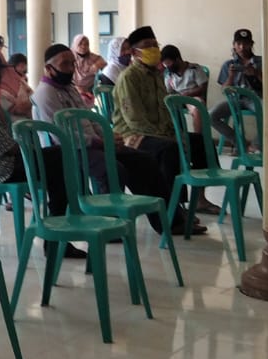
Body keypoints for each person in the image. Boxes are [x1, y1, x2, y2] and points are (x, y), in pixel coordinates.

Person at [34, 45, 202, 236]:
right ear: (49, 68)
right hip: (70, 151)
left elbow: (90, 119)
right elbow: (62, 136)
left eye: (72, 63)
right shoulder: (45, 93)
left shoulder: (69, 88)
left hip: (94, 144)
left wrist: (107, 136)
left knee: (143, 160)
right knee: (113, 169)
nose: (71, 68)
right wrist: (99, 142)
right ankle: (107, 224)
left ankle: (169, 221)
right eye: (64, 64)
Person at [0, 48, 84, 260]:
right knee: (58, 162)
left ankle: (57, 231)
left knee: (57, 160)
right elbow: (6, 148)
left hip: (4, 160)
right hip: (0, 168)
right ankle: (57, 234)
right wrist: (32, 147)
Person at [112, 27, 223, 217]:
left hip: (158, 133)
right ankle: (172, 209)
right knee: (169, 149)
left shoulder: (157, 75)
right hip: (133, 135)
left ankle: (200, 199)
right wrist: (168, 137)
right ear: (135, 52)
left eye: (155, 44)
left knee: (200, 142)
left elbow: (165, 111)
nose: (154, 49)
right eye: (147, 45)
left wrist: (174, 132)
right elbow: (135, 120)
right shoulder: (129, 77)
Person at [211, 28, 263, 154]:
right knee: (210, 116)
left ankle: (256, 145)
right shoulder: (228, 64)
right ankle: (241, 144)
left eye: (246, 44)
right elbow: (224, 90)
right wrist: (231, 76)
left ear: (251, 44)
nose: (242, 47)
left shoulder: (262, 61)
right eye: (239, 44)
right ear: (234, 45)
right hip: (235, 99)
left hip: (256, 98)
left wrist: (256, 73)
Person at [160, 46, 207, 133]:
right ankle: (179, 135)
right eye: (165, 65)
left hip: (193, 98)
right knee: (163, 108)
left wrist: (187, 94)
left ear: (177, 59)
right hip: (176, 99)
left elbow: (202, 88)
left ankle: (198, 137)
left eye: (168, 63)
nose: (167, 67)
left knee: (197, 108)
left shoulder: (194, 69)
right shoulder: (169, 74)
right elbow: (168, 91)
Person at [70, 34, 106, 106]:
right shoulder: (69, 58)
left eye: (86, 44)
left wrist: (96, 66)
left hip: (89, 91)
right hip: (72, 90)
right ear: (75, 44)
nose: (83, 46)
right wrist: (77, 88)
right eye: (80, 44)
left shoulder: (94, 58)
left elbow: (106, 68)